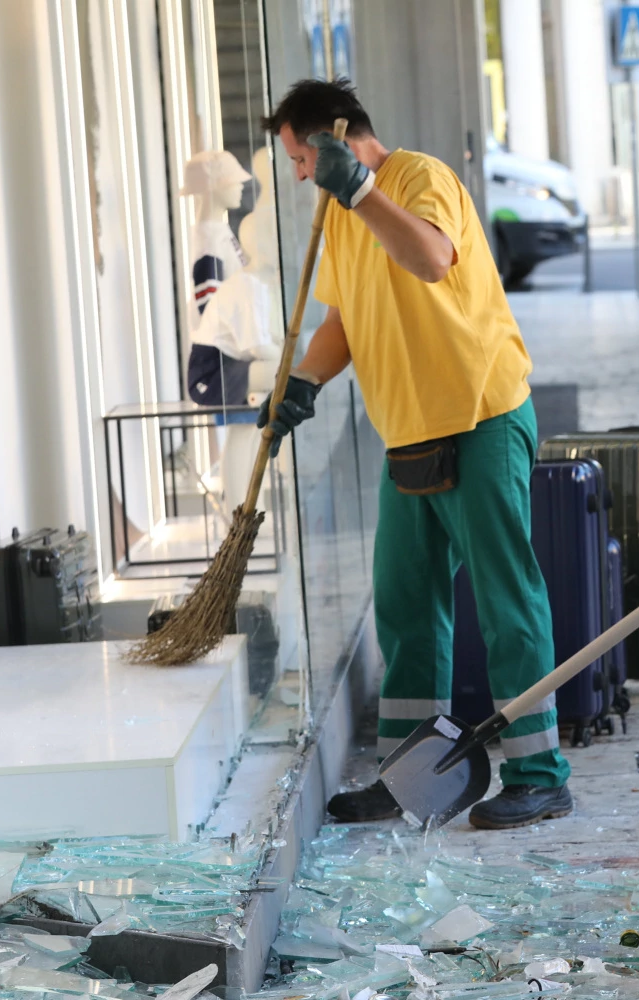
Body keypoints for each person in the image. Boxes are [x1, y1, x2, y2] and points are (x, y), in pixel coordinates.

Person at [257, 79, 573, 829]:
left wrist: (361, 189)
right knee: (406, 608)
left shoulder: (418, 179)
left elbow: (431, 258)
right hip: (409, 432)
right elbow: (342, 319)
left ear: (333, 139)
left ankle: (539, 772)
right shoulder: (338, 214)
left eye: (302, 158)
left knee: (505, 602)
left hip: (479, 418)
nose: (300, 175)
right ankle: (411, 779)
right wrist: (302, 383)